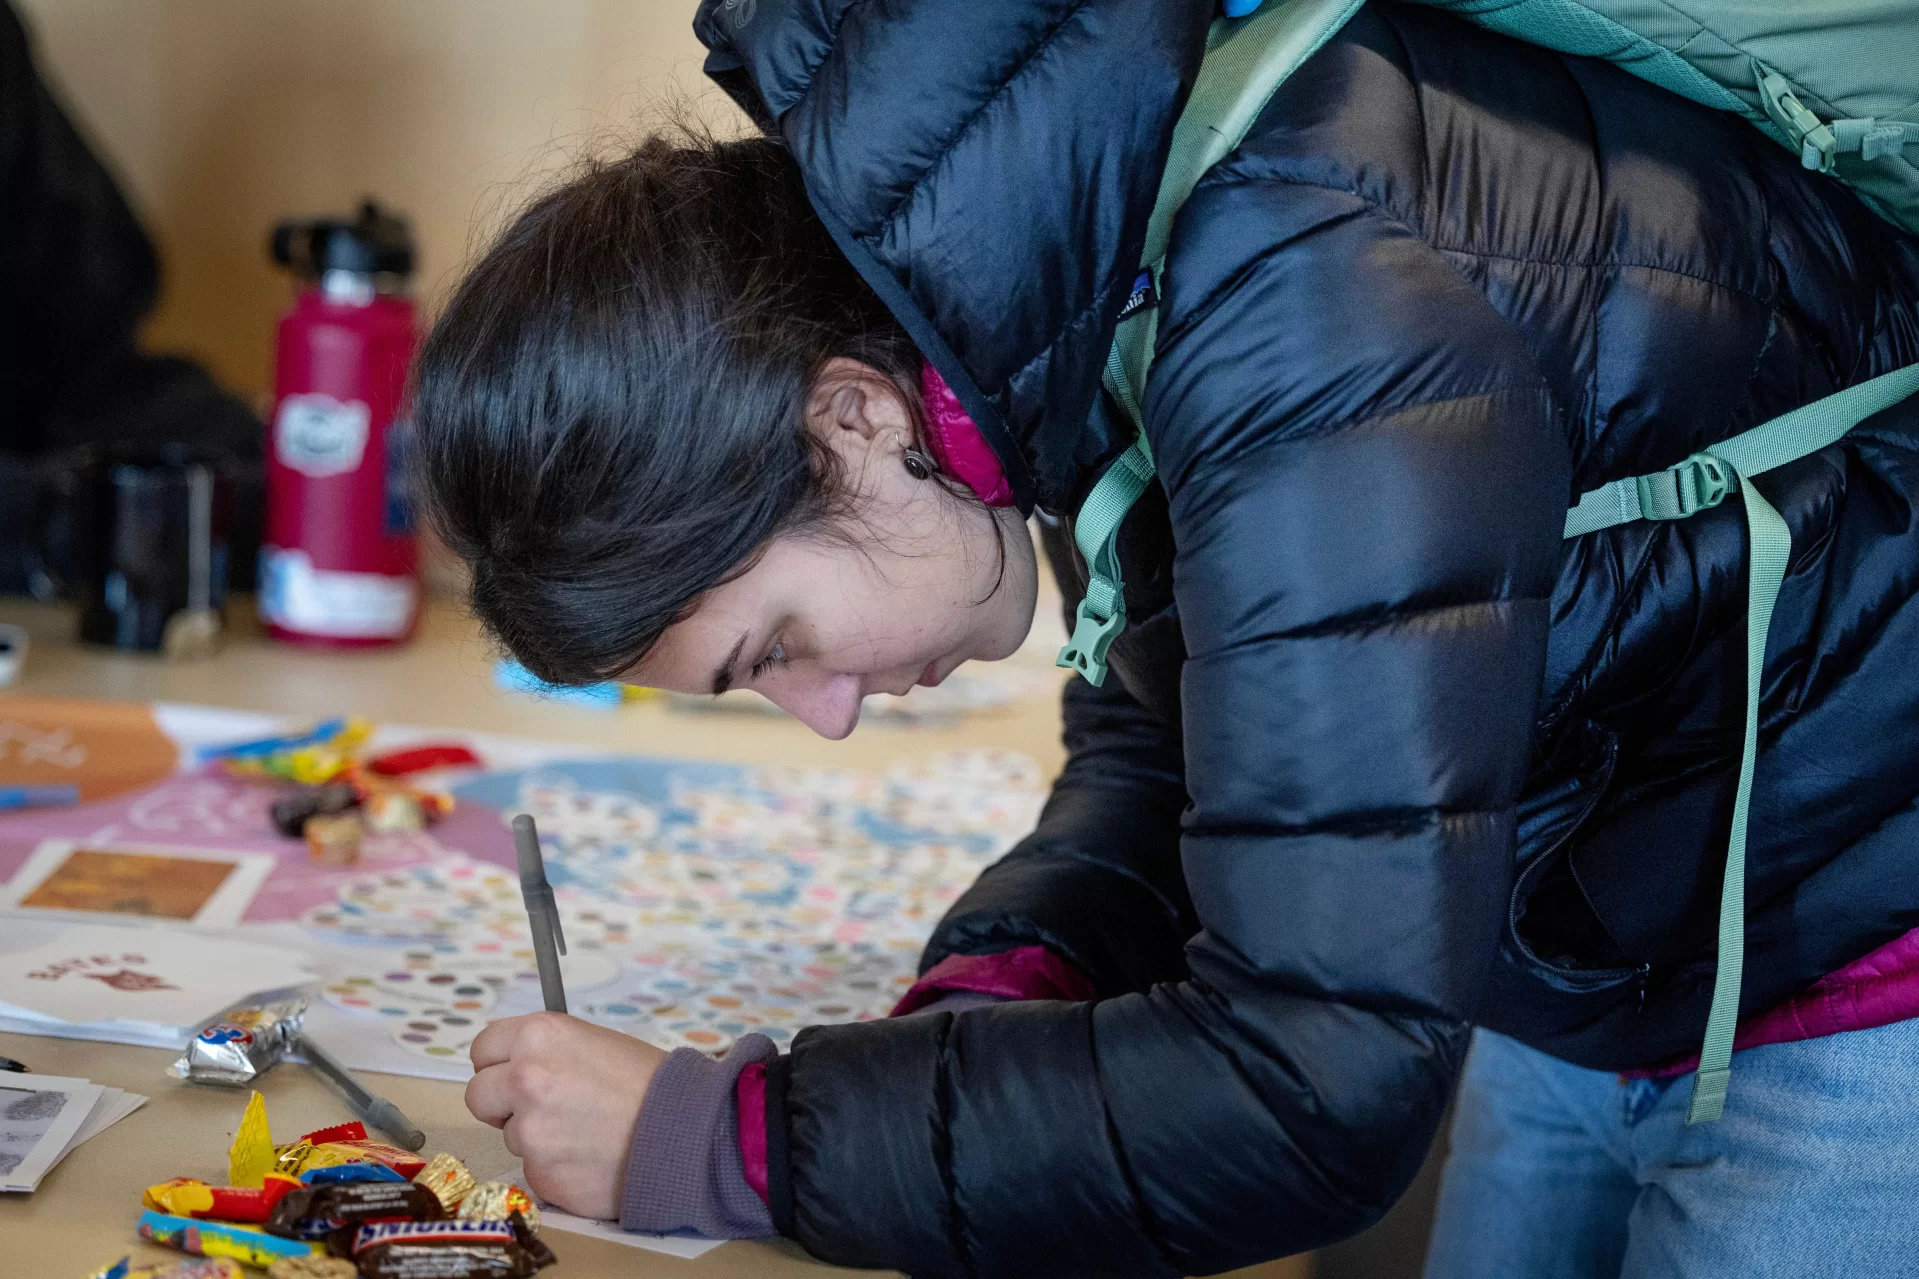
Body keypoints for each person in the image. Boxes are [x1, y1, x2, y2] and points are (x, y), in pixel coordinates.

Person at [411, 2, 1919, 1276]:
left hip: (1856, 958)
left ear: (847, 419)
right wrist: (1016, 970)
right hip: (1606, 929)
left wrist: (730, 1139)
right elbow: (1199, 722)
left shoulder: (1301, 292)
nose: (824, 712)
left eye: (776, 643)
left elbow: (1309, 1088)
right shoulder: (1048, 286)